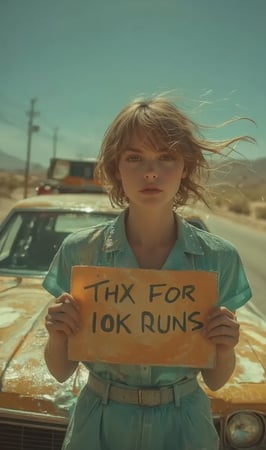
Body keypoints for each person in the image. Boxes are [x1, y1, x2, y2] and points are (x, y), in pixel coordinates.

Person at [44, 95, 253, 450]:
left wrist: (226, 345)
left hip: (184, 426)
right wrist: (58, 333)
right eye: (134, 157)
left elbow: (216, 380)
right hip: (99, 424)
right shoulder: (80, 252)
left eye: (166, 157)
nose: (150, 172)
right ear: (116, 167)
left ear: (185, 166)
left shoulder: (219, 259)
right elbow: (61, 370)